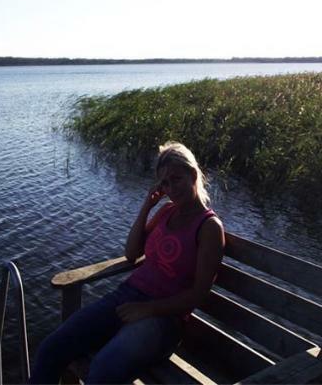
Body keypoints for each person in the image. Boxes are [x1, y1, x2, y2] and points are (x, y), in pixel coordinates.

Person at [30, 142, 226, 384]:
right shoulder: (167, 212)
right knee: (51, 348)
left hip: (164, 320)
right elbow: (132, 253)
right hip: (127, 297)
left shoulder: (209, 227)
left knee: (102, 370)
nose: (171, 188)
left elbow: (198, 294)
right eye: (165, 183)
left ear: (193, 175)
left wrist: (149, 309)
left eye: (177, 179)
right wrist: (147, 205)